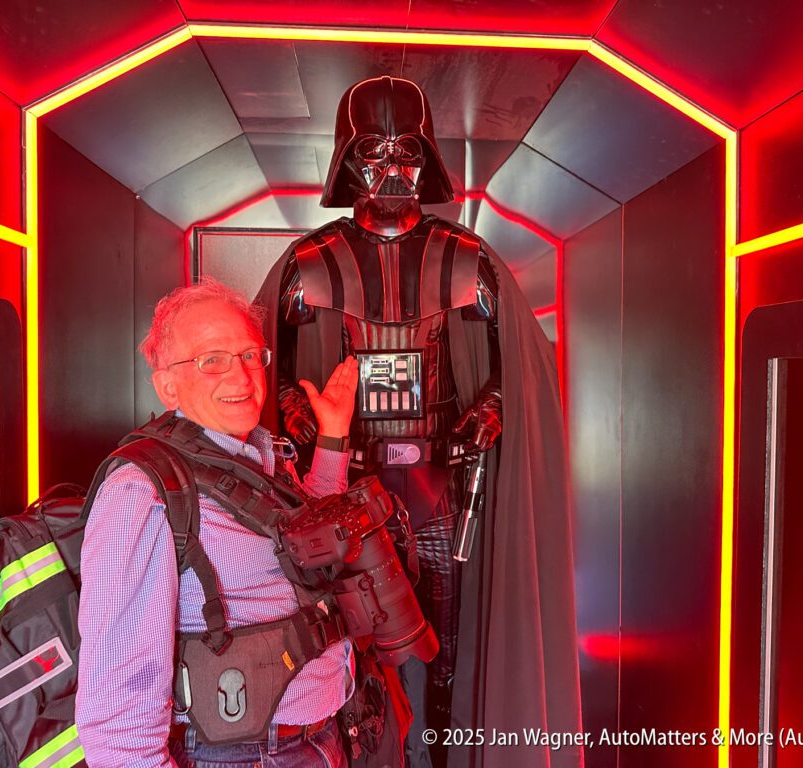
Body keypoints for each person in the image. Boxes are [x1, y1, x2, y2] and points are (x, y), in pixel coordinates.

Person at [257, 76, 583, 767]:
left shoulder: (470, 263)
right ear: (349, 161)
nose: (394, 170)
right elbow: (271, 376)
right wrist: (299, 414)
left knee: (441, 650)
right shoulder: (307, 270)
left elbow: (514, 378)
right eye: (375, 152)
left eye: (407, 151)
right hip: (342, 494)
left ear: (427, 157)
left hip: (438, 492)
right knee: (348, 647)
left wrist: (488, 415)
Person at [76, 277, 360, 767]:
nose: (243, 378)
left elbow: (307, 550)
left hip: (318, 739)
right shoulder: (141, 492)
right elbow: (117, 723)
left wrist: (332, 438)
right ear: (167, 384)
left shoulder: (260, 454)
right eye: (212, 361)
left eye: (251, 355)